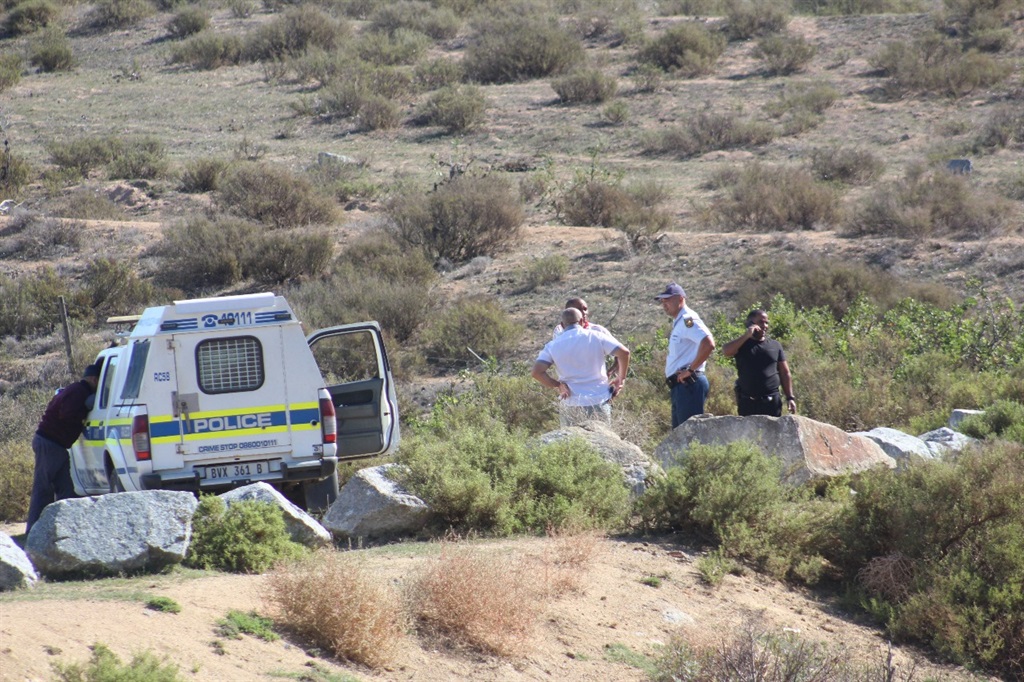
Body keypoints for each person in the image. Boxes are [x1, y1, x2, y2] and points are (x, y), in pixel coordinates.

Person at [25, 363, 101, 534]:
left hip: (56, 446)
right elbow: (67, 414)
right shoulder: (79, 393)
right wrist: (83, 418)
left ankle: (67, 531)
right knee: (43, 488)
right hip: (49, 443)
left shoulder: (75, 390)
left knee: (66, 489)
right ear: (94, 379)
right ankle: (33, 532)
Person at [532, 307, 630, 427]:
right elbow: (624, 353)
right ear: (582, 322)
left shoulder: (552, 345)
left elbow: (537, 372)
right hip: (598, 400)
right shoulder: (596, 336)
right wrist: (621, 379)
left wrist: (558, 385)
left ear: (562, 325)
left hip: (570, 402)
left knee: (573, 444)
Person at [656, 283, 715, 429]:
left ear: (681, 299)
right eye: (662, 301)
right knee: (680, 438)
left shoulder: (688, 320)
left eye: (668, 300)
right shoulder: (680, 321)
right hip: (681, 386)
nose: (664, 304)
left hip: (689, 384)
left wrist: (690, 370)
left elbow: (708, 343)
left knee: (689, 437)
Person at [720, 308, 796, 417]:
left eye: (766, 323)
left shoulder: (775, 345)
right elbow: (726, 351)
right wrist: (747, 335)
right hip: (748, 402)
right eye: (761, 322)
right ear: (751, 323)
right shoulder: (741, 344)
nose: (765, 326)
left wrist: (790, 398)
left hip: (771, 402)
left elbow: (785, 373)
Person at [552, 297, 620, 380]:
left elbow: (622, 353)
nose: (583, 312)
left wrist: (612, 371)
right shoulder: (559, 331)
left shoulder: (597, 330)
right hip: (570, 383)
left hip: (596, 383)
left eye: (585, 309)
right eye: (578, 309)